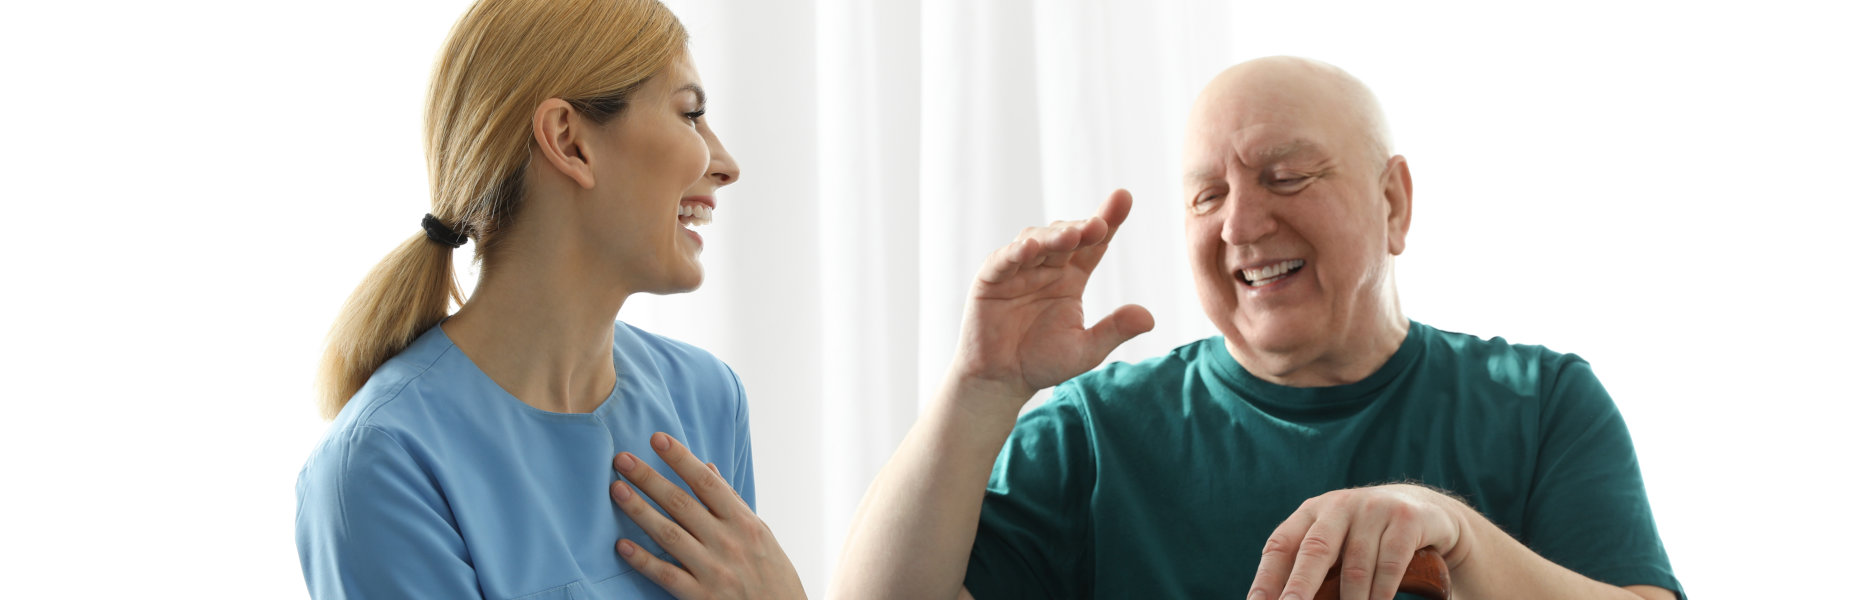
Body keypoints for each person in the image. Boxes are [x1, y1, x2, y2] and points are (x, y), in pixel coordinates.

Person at [834, 57, 1683, 600]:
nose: (1240, 224)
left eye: (1285, 176)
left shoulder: (1539, 404)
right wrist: (979, 387)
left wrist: (1450, 531)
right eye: (1207, 195)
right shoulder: (1095, 433)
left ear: (1394, 202)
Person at [296, 1, 805, 598]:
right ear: (570, 141)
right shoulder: (385, 464)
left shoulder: (707, 399)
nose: (724, 164)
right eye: (690, 115)